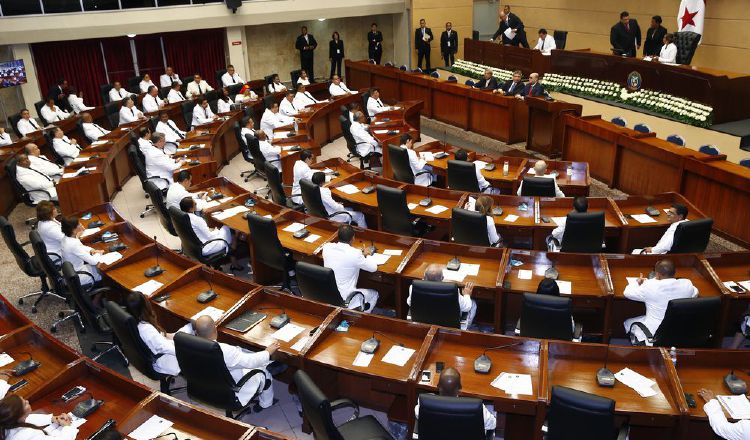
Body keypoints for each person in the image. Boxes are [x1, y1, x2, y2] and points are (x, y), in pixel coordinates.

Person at [193, 316, 278, 412]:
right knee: (265, 373)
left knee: (242, 352)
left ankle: (268, 362)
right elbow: (251, 361)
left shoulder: (186, 345)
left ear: (196, 333)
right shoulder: (224, 351)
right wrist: (267, 352)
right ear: (215, 330)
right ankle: (266, 404)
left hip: (205, 385)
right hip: (234, 390)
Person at [623, 259, 699, 344]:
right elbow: (695, 293)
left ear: (657, 274)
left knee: (627, 323)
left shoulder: (650, 286)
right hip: (679, 330)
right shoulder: (687, 284)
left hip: (654, 334)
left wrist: (637, 283)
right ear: (674, 272)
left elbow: (627, 293)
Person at [125, 291, 194, 376]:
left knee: (190, 330)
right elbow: (169, 348)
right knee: (198, 351)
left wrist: (190, 326)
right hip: (165, 361)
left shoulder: (138, 323)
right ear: (145, 306)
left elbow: (165, 336)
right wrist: (192, 351)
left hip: (160, 352)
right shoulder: (146, 329)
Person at [414, 368, 496, 436]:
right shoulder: (477, 408)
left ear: (438, 386)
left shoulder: (424, 404)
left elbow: (418, 415)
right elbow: (493, 424)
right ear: (459, 388)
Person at [321, 224, 379, 312]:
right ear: (353, 238)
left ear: (338, 236)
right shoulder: (355, 254)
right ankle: (364, 318)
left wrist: (359, 252)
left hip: (329, 294)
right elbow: (373, 268)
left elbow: (343, 255)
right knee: (374, 294)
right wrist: (367, 254)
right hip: (346, 298)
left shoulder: (327, 247)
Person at [407, 263, 477, 330]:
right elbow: (467, 307)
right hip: (450, 328)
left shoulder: (413, 287)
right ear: (442, 278)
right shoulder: (452, 290)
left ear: (424, 277)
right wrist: (467, 294)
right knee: (473, 303)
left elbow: (410, 303)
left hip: (423, 325)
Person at [180, 197, 241, 269]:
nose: (196, 205)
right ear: (190, 209)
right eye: (195, 204)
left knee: (221, 229)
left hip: (194, 246)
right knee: (228, 228)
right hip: (206, 247)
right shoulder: (197, 219)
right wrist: (216, 230)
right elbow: (209, 236)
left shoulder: (182, 217)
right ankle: (234, 262)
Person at [0, 394, 78, 440]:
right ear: (18, 415)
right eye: (24, 404)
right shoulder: (27, 436)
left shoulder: (7, 424)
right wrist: (68, 427)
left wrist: (53, 419)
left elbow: (29, 419)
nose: (27, 401)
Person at [60, 216, 104, 286]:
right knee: (103, 272)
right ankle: (99, 295)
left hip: (71, 272)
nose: (81, 224)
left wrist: (92, 250)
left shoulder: (65, 238)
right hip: (79, 276)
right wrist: (99, 253)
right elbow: (93, 262)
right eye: (78, 224)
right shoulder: (73, 244)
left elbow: (80, 246)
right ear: (73, 230)